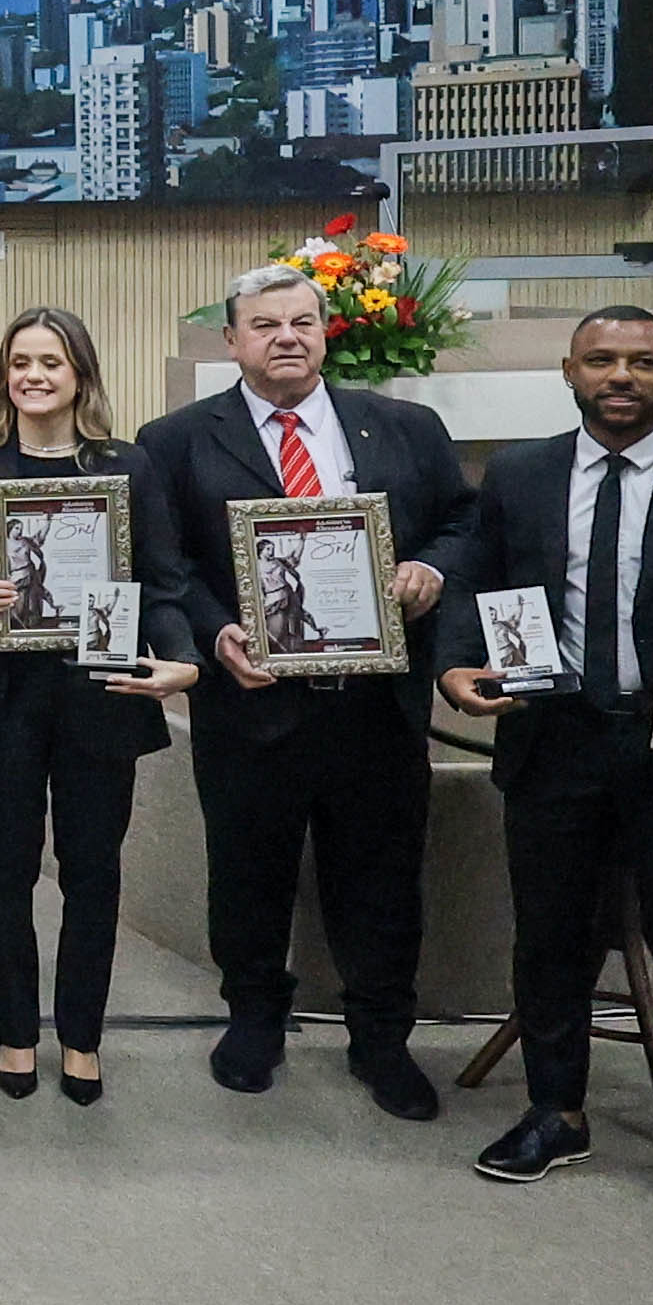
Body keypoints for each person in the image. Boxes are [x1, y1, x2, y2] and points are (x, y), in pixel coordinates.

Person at [438, 306, 653, 1225]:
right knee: (548, 938)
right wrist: (452, 664)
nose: (620, 375)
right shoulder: (518, 474)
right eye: (602, 359)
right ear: (569, 371)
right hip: (555, 740)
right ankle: (555, 1112)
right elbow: (472, 580)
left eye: (643, 361)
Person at [137, 263, 473, 1119]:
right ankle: (253, 1020)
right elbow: (167, 565)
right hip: (250, 703)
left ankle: (381, 1040)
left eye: (302, 322)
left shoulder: (404, 426)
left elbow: (467, 524)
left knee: (383, 876)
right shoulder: (175, 440)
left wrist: (431, 567)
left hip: (375, 705)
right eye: (264, 324)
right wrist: (215, 633)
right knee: (249, 872)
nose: (286, 336)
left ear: (327, 331)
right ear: (232, 340)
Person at [0, 309, 202, 1107]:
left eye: (51, 361)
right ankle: (16, 1030)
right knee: (5, 866)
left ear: (80, 372)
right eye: (20, 362)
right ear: (4, 373)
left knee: (92, 869)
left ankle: (81, 1035)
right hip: (0, 693)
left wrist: (180, 657)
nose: (34, 376)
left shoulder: (129, 466)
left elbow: (164, 573)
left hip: (100, 689)